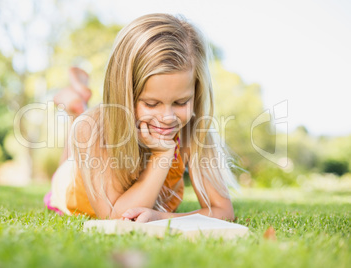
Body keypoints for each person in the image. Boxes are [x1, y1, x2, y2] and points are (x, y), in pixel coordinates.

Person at [44, 13, 240, 223]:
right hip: (72, 186)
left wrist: (163, 217)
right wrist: (162, 155)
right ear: (124, 94)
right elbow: (115, 217)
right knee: (71, 157)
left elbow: (223, 211)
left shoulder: (193, 129)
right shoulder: (93, 129)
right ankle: (76, 109)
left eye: (181, 102)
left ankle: (78, 105)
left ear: (196, 92)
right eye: (151, 103)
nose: (167, 118)